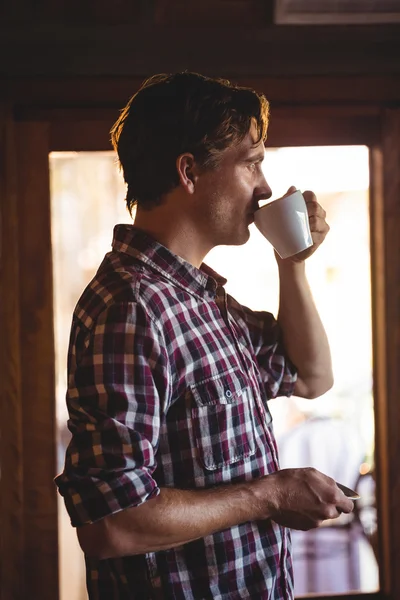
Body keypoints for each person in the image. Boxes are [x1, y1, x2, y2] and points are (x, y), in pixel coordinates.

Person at [55, 72, 354, 600]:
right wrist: (269, 495)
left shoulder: (200, 298)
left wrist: (292, 260)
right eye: (252, 161)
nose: (265, 186)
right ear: (189, 172)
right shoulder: (132, 307)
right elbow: (113, 523)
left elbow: (311, 376)